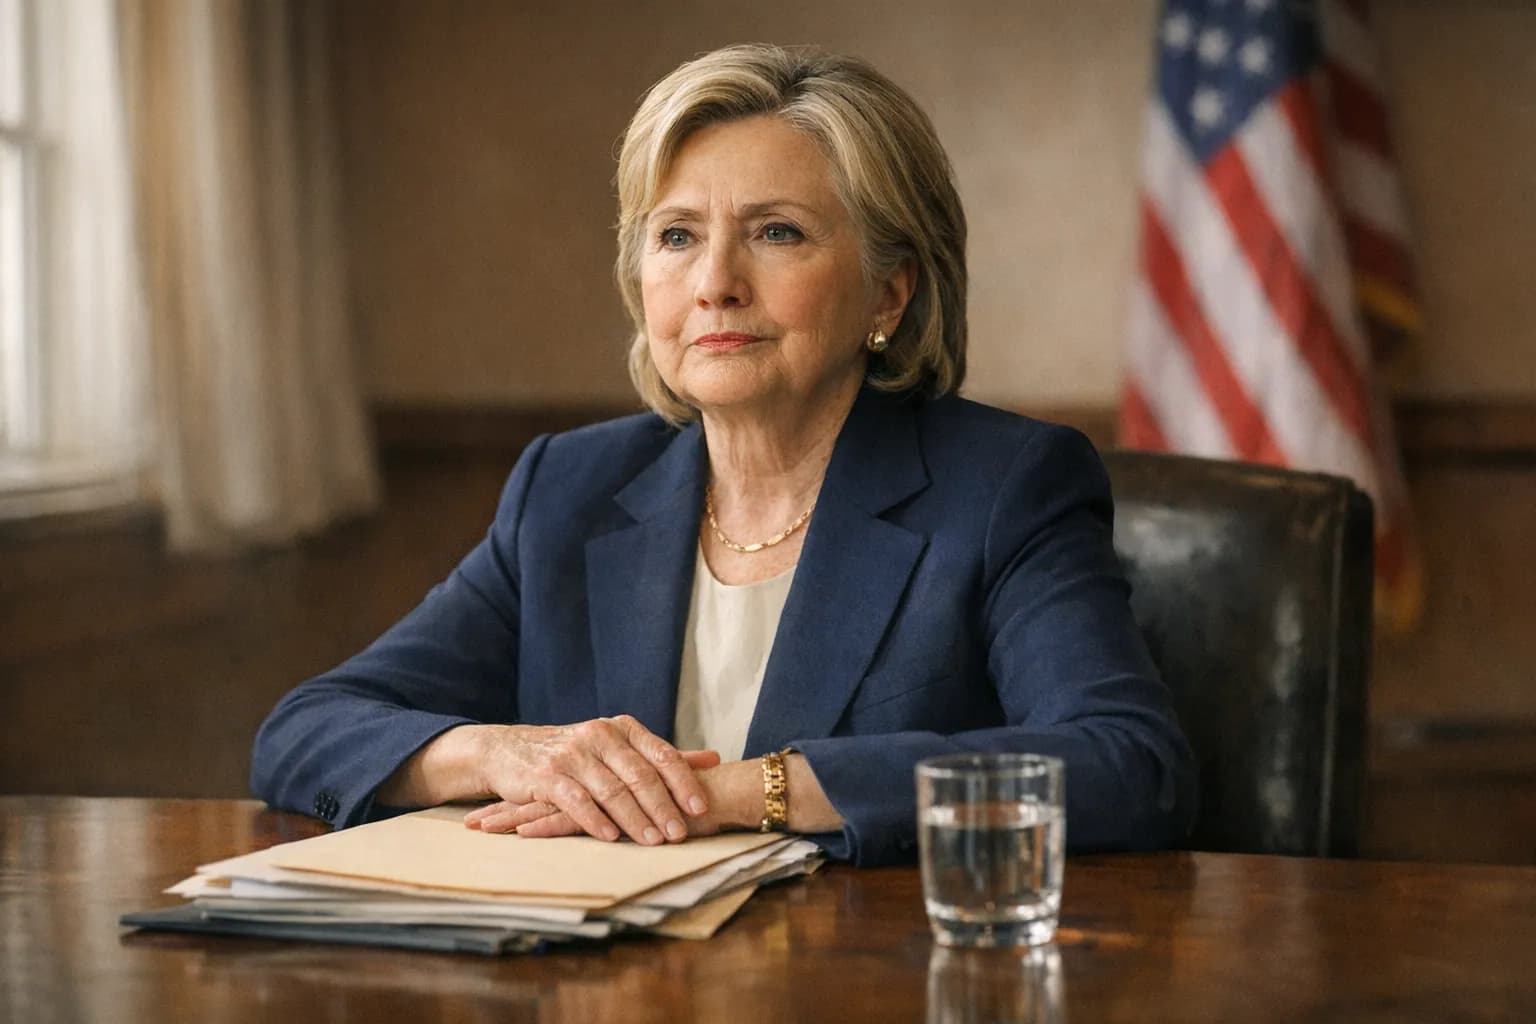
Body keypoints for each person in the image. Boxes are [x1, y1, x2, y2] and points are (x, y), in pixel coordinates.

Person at [251, 43, 1196, 866]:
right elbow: (305, 732)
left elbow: (1126, 764)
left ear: (888, 294)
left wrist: (740, 794)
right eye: (676, 237)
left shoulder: (1002, 488)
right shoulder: (569, 489)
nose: (714, 285)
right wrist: (502, 754)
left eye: (776, 233)